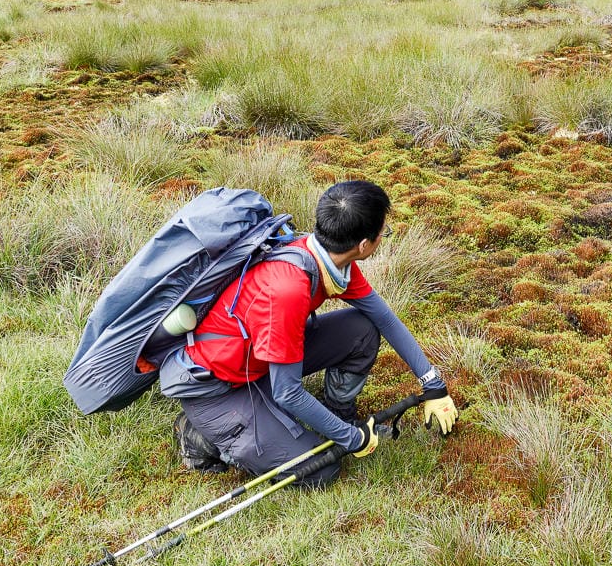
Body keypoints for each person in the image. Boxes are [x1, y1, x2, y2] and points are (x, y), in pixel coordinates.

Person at [160, 180, 458, 486]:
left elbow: (381, 317)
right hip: (217, 388)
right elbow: (286, 392)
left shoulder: (325, 257)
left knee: (362, 329)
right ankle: (200, 436)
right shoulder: (287, 290)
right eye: (384, 232)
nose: (384, 237)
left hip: (259, 362)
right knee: (321, 471)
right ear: (364, 245)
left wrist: (433, 384)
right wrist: (351, 439)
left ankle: (338, 413)